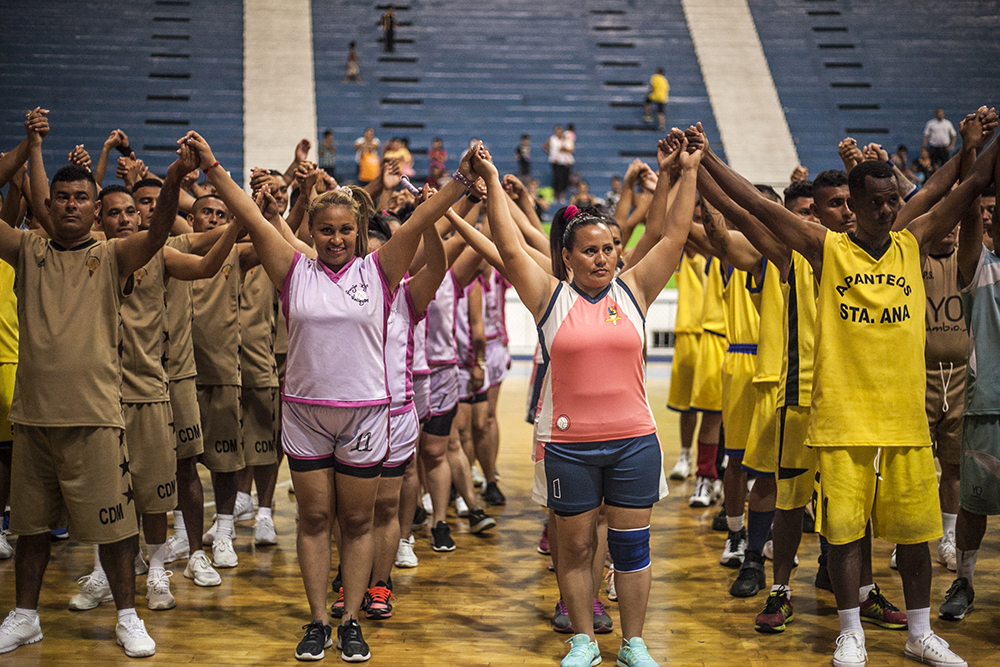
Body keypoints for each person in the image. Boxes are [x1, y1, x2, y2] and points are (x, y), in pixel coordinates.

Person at [696, 116, 997, 667]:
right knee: (842, 534)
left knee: (915, 537)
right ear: (854, 206)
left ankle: (920, 632)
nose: (885, 209)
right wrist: (707, 158)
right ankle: (850, 630)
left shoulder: (913, 242)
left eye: (891, 201)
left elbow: (967, 185)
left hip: (904, 420)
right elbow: (756, 206)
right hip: (842, 420)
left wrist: (973, 148)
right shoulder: (824, 248)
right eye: (874, 202)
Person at [180, 129, 482, 662]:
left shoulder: (381, 270)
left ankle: (351, 620)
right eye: (325, 230)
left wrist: (460, 179)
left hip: (365, 417)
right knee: (316, 520)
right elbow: (249, 216)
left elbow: (419, 221)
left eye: (345, 229)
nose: (336, 239)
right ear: (313, 232)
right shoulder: (292, 269)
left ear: (359, 231)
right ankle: (318, 619)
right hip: (305, 417)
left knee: (359, 522)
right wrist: (211, 166)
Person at [477, 130, 695, 667]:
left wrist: (687, 171)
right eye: (590, 250)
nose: (602, 258)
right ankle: (584, 641)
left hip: (634, 443)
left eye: (609, 249)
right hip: (568, 448)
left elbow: (673, 235)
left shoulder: (636, 289)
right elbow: (509, 247)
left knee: (631, 550)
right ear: (568, 256)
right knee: (574, 550)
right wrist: (490, 182)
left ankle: (634, 643)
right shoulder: (548, 296)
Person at [0, 109, 193, 657]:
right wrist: (28, 146)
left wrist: (173, 178)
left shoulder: (112, 255)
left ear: (94, 210)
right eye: (61, 197)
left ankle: (128, 615)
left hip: (97, 418)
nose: (70, 205)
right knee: (30, 529)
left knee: (116, 528)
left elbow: (158, 232)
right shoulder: (27, 250)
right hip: (34, 417)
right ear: (49, 204)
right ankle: (25, 616)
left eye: (81, 198)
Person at [938, 111, 999, 623]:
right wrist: (974, 149)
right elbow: (970, 202)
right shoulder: (981, 268)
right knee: (974, 507)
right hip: (987, 408)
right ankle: (965, 580)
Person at [543, 126, 574, 205]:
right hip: (556, 162)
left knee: (564, 179)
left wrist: (564, 149)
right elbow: (544, 146)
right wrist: (551, 153)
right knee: (557, 178)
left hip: (565, 162)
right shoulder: (552, 139)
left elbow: (572, 149)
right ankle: (555, 195)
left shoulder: (566, 139)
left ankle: (562, 196)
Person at [643, 68, 669, 132]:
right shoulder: (664, 80)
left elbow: (652, 86)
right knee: (660, 112)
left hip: (655, 95)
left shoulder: (655, 77)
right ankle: (662, 125)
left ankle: (649, 115)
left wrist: (648, 93)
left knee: (646, 102)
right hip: (663, 97)